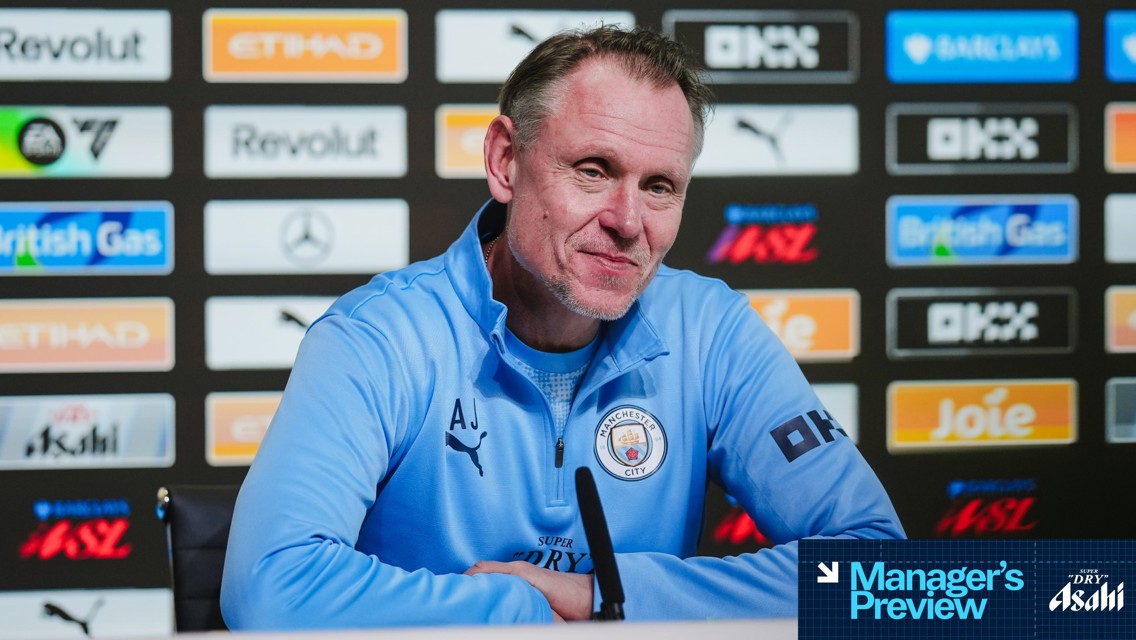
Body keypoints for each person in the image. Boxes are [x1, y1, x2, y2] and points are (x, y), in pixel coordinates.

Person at [221, 25, 904, 629]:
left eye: (660, 186)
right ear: (503, 162)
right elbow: (272, 589)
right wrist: (519, 610)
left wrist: (605, 594)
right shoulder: (379, 339)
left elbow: (905, 584)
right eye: (592, 170)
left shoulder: (712, 334)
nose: (628, 221)